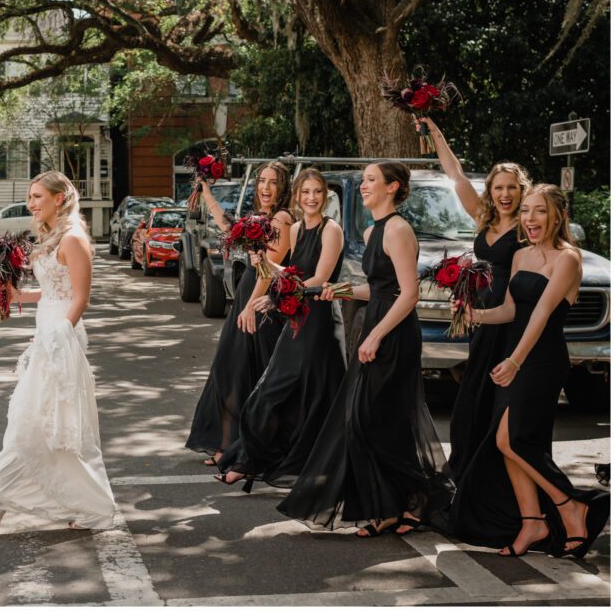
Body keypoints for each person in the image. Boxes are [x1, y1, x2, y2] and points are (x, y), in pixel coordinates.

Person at [277, 161, 451, 537]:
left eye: (371, 180)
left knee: (371, 418)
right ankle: (391, 505)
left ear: (392, 187)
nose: (364, 186)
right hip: (377, 324)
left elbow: (409, 294)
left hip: (394, 333)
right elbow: (377, 288)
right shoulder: (373, 232)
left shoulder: (399, 229)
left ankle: (419, 497)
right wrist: (339, 290)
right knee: (371, 420)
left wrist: (375, 337)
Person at [449, 184, 610, 558]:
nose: (530, 219)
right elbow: (511, 310)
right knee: (509, 443)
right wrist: (474, 315)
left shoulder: (567, 258)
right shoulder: (521, 255)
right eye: (526, 211)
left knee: (513, 440)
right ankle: (532, 522)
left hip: (540, 360)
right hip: (513, 354)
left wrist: (516, 361)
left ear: (557, 216)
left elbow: (541, 313)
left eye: (539, 211)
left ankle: (573, 506)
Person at [0, 171, 117, 532]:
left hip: (61, 338)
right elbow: (51, 291)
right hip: (46, 332)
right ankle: (81, 502)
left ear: (59, 198)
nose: (31, 204)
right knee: (39, 424)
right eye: (30, 197)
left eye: (37, 197)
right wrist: (14, 293)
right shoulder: (49, 238)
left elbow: (80, 297)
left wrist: (61, 333)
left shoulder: (74, 239)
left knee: (38, 424)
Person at [215, 168, 345, 492]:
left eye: (317, 192)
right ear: (298, 196)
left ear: (325, 197)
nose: (311, 198)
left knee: (319, 400)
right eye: (306, 192)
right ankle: (251, 461)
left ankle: (322, 468)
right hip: (298, 320)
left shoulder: (332, 231)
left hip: (322, 324)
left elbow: (318, 279)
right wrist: (262, 261)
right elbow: (288, 270)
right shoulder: (298, 229)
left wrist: (274, 298)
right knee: (268, 395)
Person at [421, 117, 530, 483]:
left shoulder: (528, 227)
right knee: (472, 394)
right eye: (499, 187)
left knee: (496, 396)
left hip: (511, 319)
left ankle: (492, 474)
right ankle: (467, 468)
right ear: (491, 191)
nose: (505, 194)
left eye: (512, 188)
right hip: (480, 316)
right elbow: (456, 176)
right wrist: (436, 133)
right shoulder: (483, 217)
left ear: (521, 190)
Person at [185, 162, 294, 466]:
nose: (266, 187)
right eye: (262, 181)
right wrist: (207, 194)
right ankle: (228, 444)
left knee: (253, 372)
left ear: (283, 187)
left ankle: (250, 448)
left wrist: (248, 306)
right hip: (247, 297)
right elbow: (227, 227)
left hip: (261, 303)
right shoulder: (261, 218)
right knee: (232, 370)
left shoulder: (283, 219)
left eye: (273, 182)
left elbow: (269, 271)